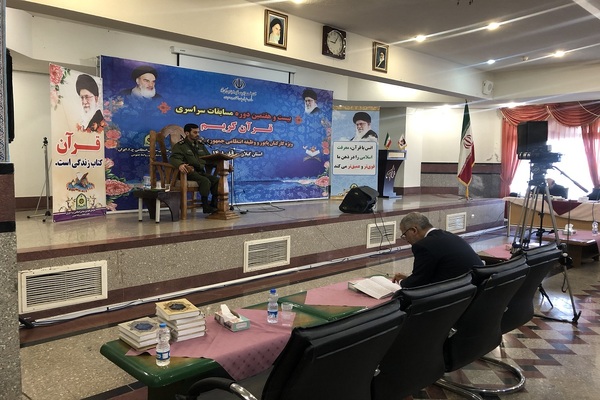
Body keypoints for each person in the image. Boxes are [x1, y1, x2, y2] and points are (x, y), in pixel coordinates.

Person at [392, 212, 483, 288]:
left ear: (414, 230)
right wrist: (410, 279)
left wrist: (400, 282)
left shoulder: (423, 245)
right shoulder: (449, 235)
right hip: (478, 288)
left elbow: (416, 284)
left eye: (405, 234)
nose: (406, 239)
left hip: (458, 295)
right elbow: (424, 276)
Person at [169, 123, 219, 214]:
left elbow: (209, 159)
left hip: (200, 172)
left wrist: (221, 164)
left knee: (216, 180)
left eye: (198, 132)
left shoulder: (200, 145)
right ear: (187, 133)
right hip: (188, 173)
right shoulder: (180, 146)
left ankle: (214, 204)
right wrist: (180, 165)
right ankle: (205, 206)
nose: (198, 134)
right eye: (195, 132)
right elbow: (174, 158)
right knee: (205, 181)